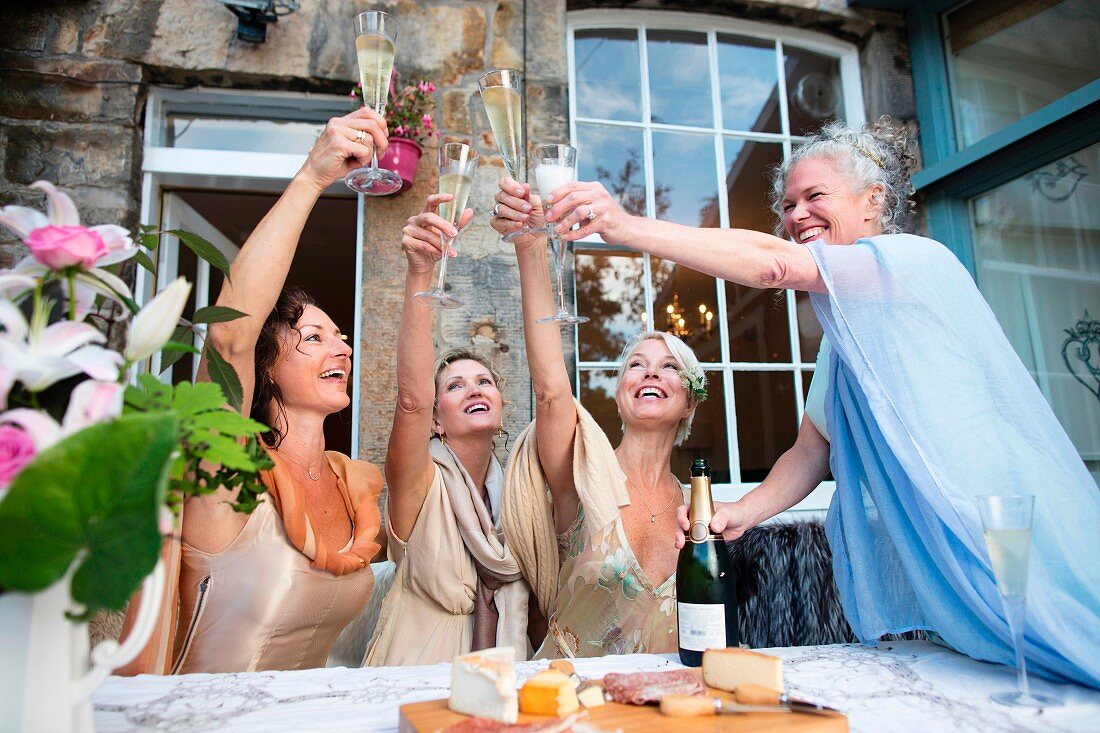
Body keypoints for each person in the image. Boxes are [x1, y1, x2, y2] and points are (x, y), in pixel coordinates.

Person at [523, 118, 1100, 688]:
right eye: (789, 205)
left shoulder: (915, 262)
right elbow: (810, 452)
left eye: (815, 196)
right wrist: (738, 516)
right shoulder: (841, 342)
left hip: (1004, 540)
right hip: (948, 571)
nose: (797, 215)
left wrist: (624, 226)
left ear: (873, 199)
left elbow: (773, 264)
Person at [125, 108, 390, 674]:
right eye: (313, 338)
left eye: (341, 339)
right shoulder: (226, 471)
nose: (341, 350)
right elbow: (228, 337)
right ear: (265, 367)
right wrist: (312, 178)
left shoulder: (350, 484)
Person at [489, 191, 705, 657]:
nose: (650, 372)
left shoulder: (700, 510)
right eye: (636, 365)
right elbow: (550, 389)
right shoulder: (583, 473)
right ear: (620, 392)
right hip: (569, 710)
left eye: (669, 367)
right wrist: (529, 246)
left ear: (690, 402)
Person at [363, 195, 536, 665]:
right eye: (455, 385)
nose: (473, 389)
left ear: (500, 404)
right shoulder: (420, 483)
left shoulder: (520, 498)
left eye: (484, 382)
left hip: (501, 685)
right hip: (413, 682)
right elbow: (411, 400)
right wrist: (420, 273)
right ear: (436, 420)